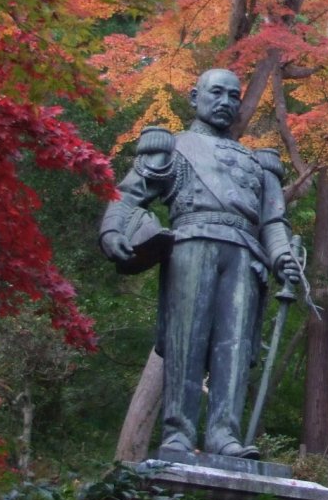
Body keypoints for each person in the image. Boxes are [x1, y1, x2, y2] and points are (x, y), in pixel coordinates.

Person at [99, 68, 301, 459]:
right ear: (194, 97)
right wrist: (112, 234)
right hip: (190, 246)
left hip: (244, 255)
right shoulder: (171, 147)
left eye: (233, 96)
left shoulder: (258, 163)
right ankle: (177, 432)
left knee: (236, 346)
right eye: (217, 93)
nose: (226, 102)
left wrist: (282, 256)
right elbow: (127, 196)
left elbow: (274, 222)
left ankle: (225, 434)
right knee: (186, 342)